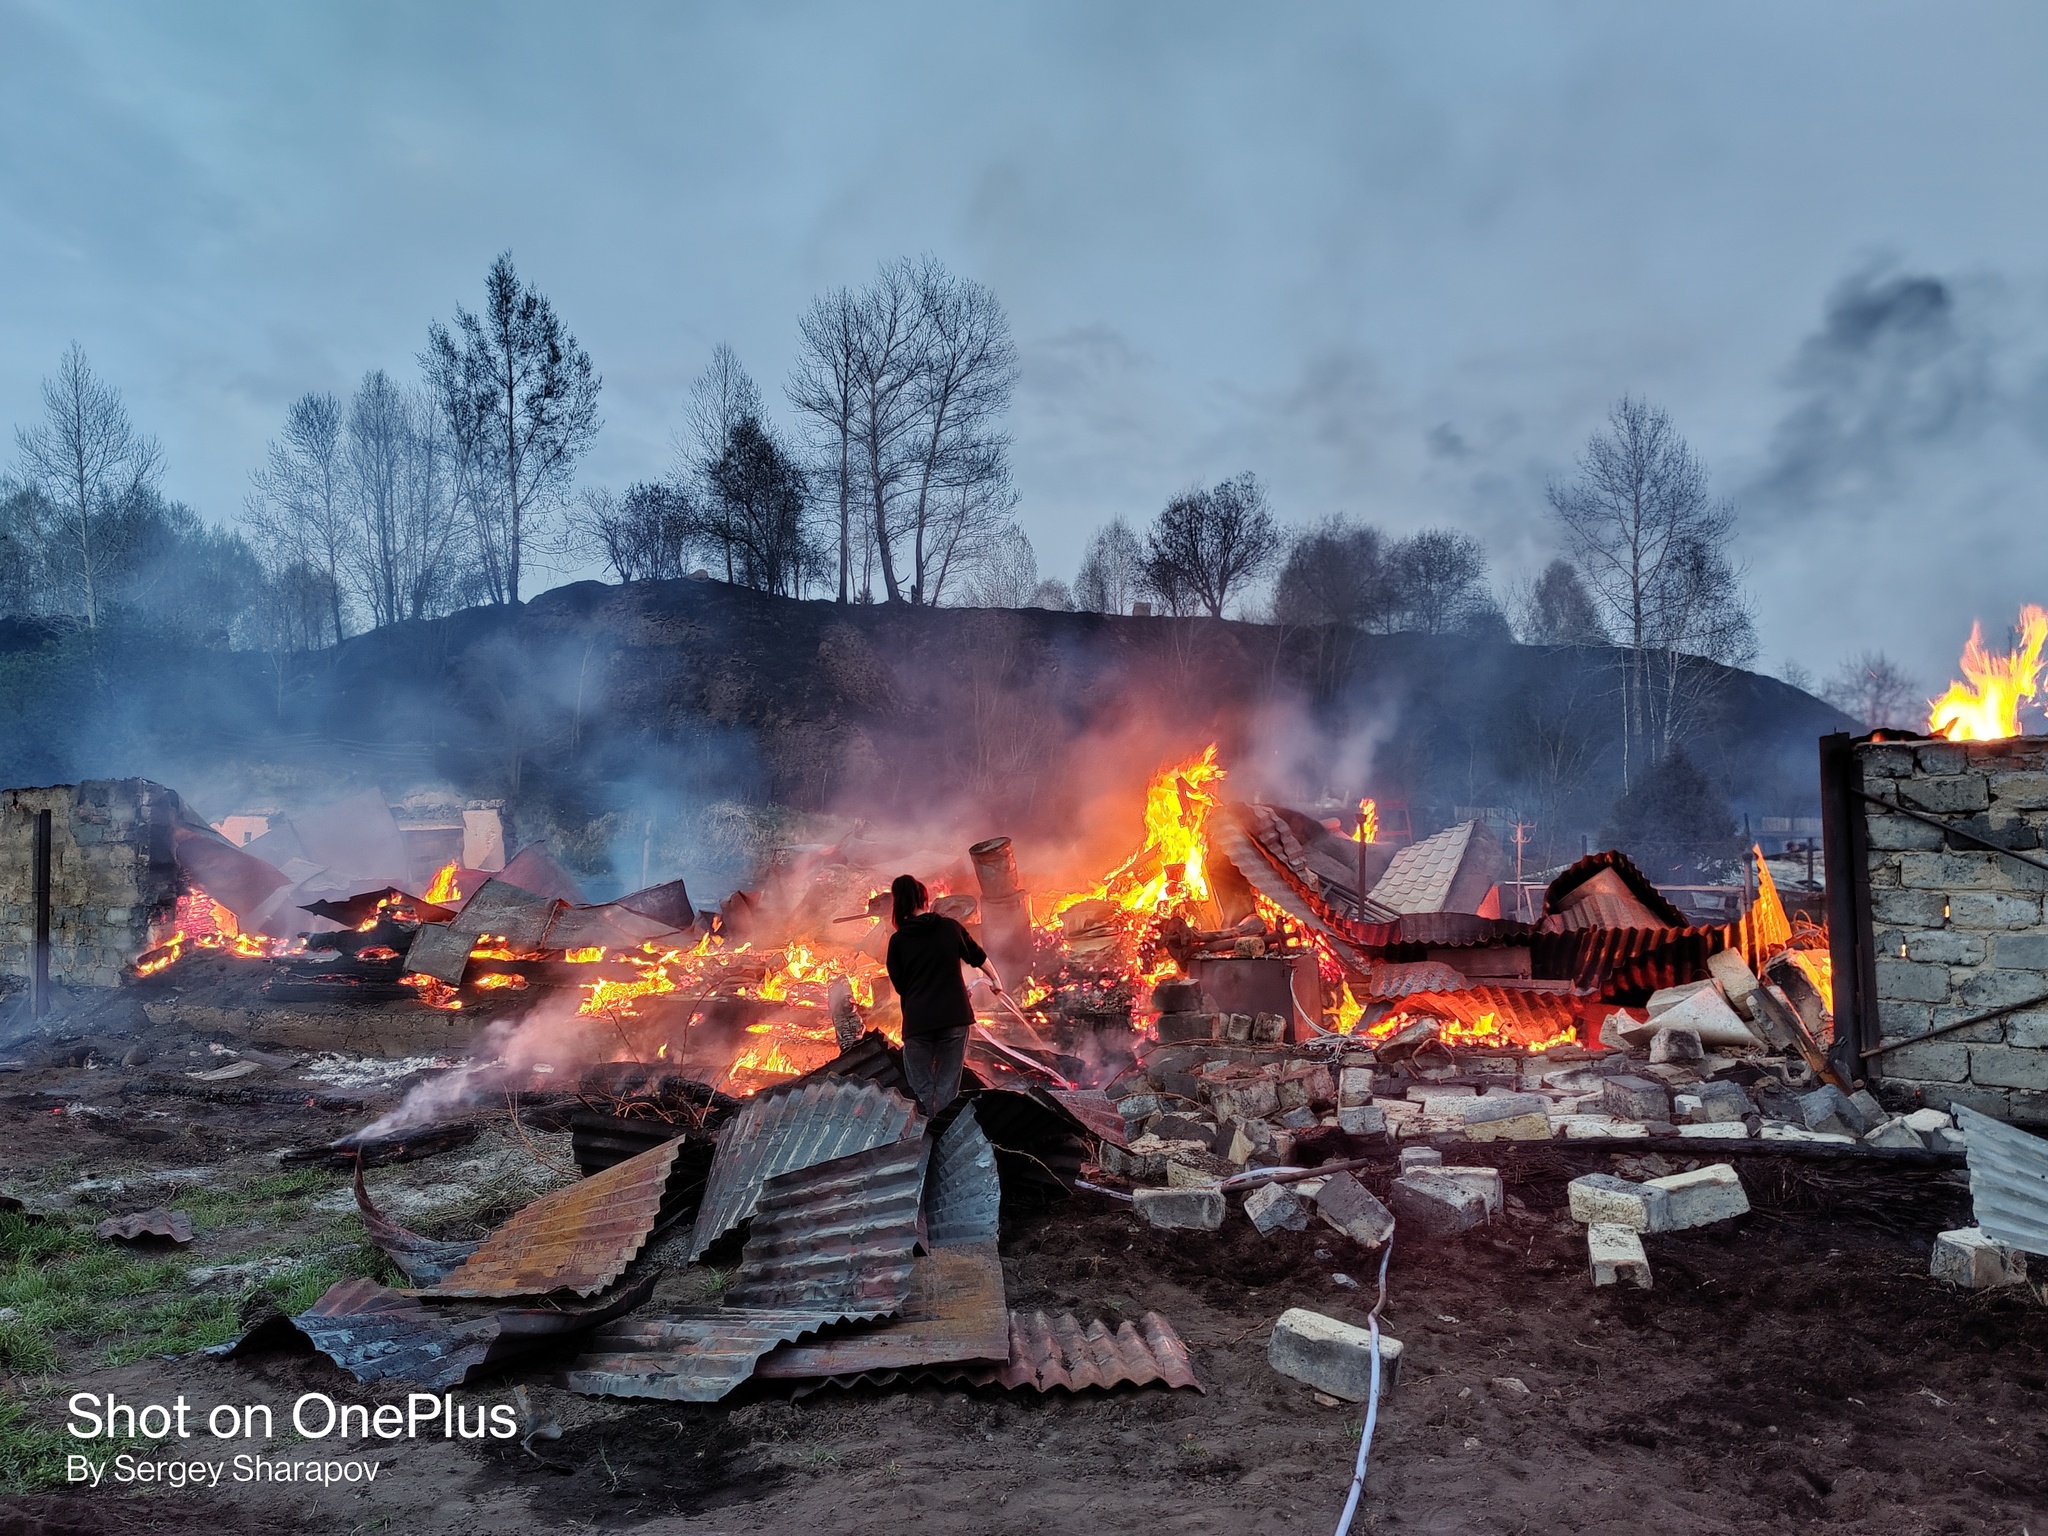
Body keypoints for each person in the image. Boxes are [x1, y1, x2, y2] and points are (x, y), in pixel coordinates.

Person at [884, 873, 1000, 1115]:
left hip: (919, 1023)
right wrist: (996, 981)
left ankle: (926, 1139)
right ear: (925, 900)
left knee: (921, 1091)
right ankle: (946, 1139)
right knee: (947, 1090)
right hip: (954, 1019)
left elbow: (900, 986)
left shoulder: (897, 941)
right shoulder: (950, 928)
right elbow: (978, 957)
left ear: (899, 904)